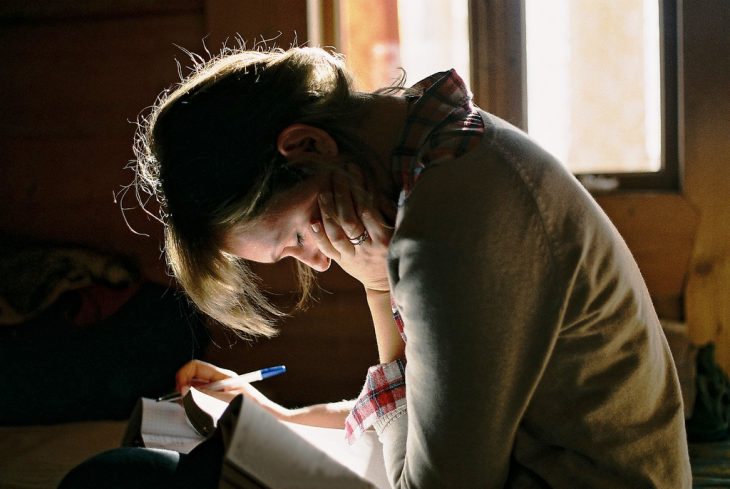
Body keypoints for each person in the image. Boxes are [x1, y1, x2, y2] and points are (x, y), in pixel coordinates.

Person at [61, 45, 691, 488]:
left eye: (296, 236)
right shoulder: (442, 154)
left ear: (307, 148)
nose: (317, 259)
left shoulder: (451, 224)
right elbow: (447, 402)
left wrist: (379, 287)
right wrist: (280, 418)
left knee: (126, 478)